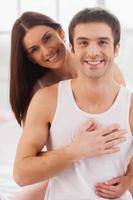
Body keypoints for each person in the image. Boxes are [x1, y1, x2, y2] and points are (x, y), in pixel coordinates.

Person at [12, 8, 133, 199]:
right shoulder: (43, 95)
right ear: (30, 58)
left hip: (106, 167)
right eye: (34, 49)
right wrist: (78, 149)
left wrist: (129, 179)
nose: (46, 50)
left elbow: (123, 137)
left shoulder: (105, 67)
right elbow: (29, 161)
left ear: (60, 32)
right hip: (64, 166)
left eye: (47, 38)